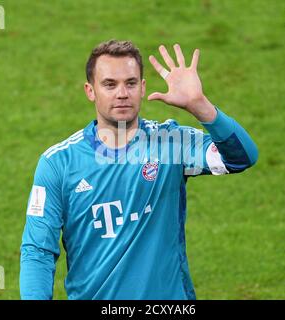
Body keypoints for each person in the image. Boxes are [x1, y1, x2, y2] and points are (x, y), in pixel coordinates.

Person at [19, 40, 258, 300]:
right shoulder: (58, 163)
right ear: (90, 91)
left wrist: (200, 105)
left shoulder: (171, 144)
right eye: (110, 84)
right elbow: (38, 250)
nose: (122, 93)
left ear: (142, 88)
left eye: (130, 83)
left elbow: (242, 158)